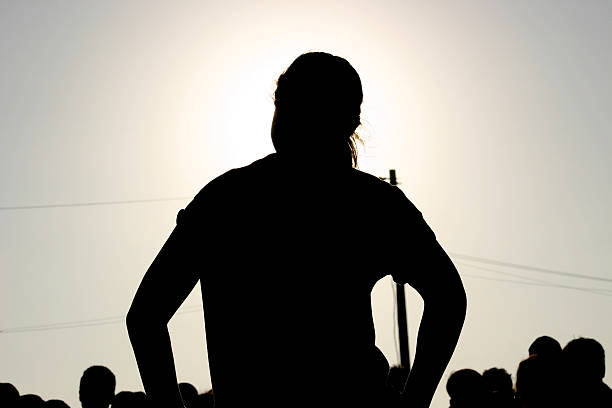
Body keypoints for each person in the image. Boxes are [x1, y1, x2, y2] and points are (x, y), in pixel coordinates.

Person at [127, 51, 466, 408]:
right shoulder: (373, 204)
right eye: (287, 104)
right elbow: (448, 296)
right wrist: (415, 400)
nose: (292, 117)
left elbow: (146, 316)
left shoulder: (227, 199)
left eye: (301, 106)